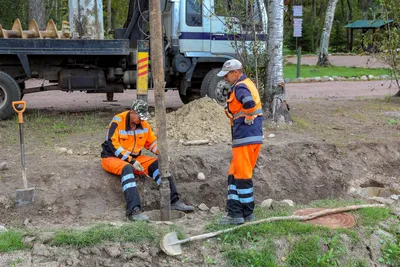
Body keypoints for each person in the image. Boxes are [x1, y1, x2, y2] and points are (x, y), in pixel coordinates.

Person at [100, 99, 194, 221]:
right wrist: (131, 161)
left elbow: (151, 143)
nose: (142, 120)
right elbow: (113, 145)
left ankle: (174, 201)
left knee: (157, 164)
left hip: (135, 158)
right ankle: (134, 211)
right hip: (112, 157)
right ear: (132, 112)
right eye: (140, 117)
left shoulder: (144, 124)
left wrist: (163, 154)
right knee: (127, 168)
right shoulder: (118, 121)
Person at [217, 59, 263, 225]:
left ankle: (247, 214)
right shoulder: (247, 83)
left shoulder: (240, 86)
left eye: (227, 75)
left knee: (242, 176)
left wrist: (248, 115)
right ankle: (234, 213)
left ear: (235, 72)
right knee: (234, 174)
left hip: (244, 137)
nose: (225, 78)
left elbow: (249, 103)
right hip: (251, 137)